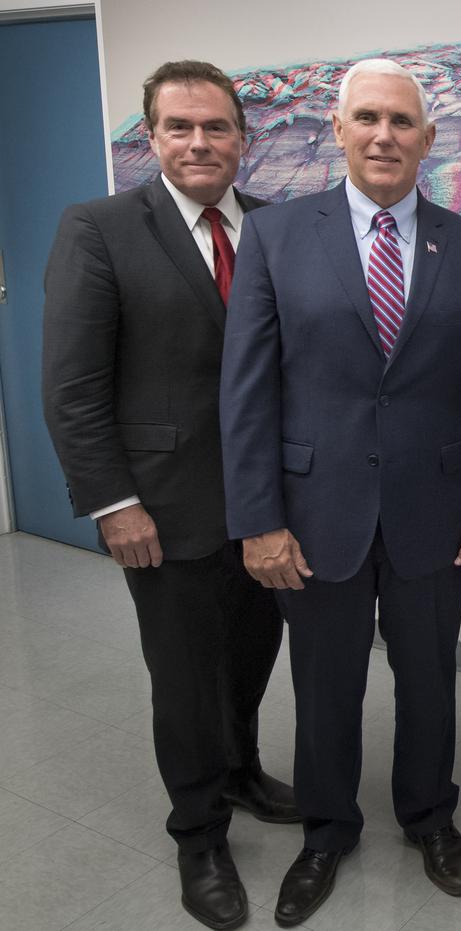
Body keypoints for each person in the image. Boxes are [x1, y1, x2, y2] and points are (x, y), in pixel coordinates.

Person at [218, 58, 461, 926]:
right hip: (316, 513)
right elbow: (247, 392)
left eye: (401, 121)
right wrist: (258, 520)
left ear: (429, 139)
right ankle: (326, 829)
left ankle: (430, 815)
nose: (384, 135)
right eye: (367, 119)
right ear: (339, 130)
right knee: (324, 686)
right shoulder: (275, 236)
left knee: (430, 680)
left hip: (437, 511)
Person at [41, 59, 297, 931]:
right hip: (163, 507)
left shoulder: (273, 228)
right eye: (179, 127)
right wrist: (113, 503)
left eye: (216, 126)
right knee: (185, 681)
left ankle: (242, 769)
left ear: (242, 138)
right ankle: (199, 833)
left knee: (251, 655)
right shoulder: (100, 228)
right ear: (151, 138)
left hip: (265, 508)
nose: (199, 142)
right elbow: (72, 385)